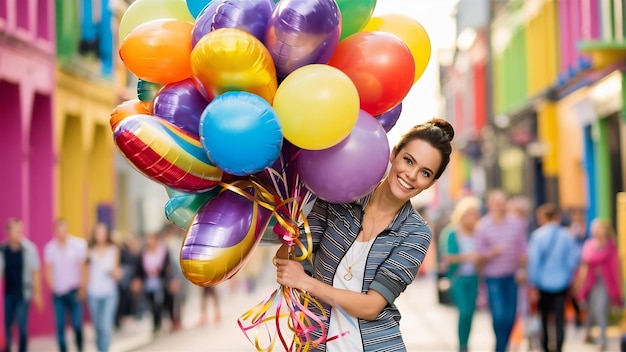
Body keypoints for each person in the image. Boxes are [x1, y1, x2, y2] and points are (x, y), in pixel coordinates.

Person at [274, 118, 454, 351]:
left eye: (425, 173)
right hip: (317, 343)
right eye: (408, 160)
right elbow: (291, 259)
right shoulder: (340, 198)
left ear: (432, 183)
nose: (411, 175)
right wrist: (288, 234)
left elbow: (371, 306)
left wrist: (307, 283)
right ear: (394, 153)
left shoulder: (416, 233)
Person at [474, 189, 528, 352]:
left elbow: (523, 251)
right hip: (493, 278)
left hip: (512, 277)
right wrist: (492, 252)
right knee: (499, 316)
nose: (500, 205)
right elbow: (478, 255)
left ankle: (501, 347)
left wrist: (522, 269)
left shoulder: (517, 223)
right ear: (489, 204)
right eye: (497, 201)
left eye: (503, 201)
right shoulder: (482, 226)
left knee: (511, 317)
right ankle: (501, 347)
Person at [527, 204, 580, 352]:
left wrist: (533, 284)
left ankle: (545, 346)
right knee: (559, 317)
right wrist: (571, 279)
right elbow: (572, 260)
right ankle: (558, 346)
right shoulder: (567, 235)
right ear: (557, 217)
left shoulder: (537, 235)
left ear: (543, 218)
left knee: (544, 317)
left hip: (542, 283)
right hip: (562, 282)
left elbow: (534, 262)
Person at [440, 196, 482, 352]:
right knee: (464, 311)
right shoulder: (452, 233)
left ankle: (466, 343)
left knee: (470, 313)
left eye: (476, 213)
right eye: (471, 213)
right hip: (458, 278)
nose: (474, 217)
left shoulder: (478, 233)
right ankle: (462, 346)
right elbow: (447, 257)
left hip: (474, 277)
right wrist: (468, 256)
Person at [574, 218, 622, 352]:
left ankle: (602, 340)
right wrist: (579, 283)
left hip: (605, 281)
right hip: (590, 281)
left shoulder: (611, 245)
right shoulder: (589, 244)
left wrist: (617, 285)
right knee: (590, 310)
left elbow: (615, 266)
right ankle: (587, 332)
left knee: (601, 309)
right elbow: (584, 265)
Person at [44, 218, 89, 352]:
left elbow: (83, 268)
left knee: (77, 325)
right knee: (60, 325)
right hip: (59, 293)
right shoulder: (50, 248)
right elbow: (48, 269)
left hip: (74, 291)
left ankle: (80, 347)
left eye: (63, 230)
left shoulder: (78, 245)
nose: (61, 233)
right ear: (55, 232)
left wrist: (83, 288)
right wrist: (52, 286)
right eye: (58, 230)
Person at [0, 218, 43, 352]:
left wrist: (37, 294)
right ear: (8, 232)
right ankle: (7, 348)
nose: (20, 233)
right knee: (7, 324)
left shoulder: (29, 249)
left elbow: (35, 272)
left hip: (24, 293)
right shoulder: (3, 250)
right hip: (8, 293)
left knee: (22, 325)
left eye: (21, 230)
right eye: (16, 230)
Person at [86, 223, 121, 352]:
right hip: (93, 293)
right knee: (98, 327)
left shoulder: (113, 249)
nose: (100, 235)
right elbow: (86, 272)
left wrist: (115, 272)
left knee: (106, 326)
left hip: (109, 293)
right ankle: (100, 348)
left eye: (103, 232)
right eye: (98, 232)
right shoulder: (90, 251)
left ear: (107, 235)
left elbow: (117, 271)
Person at [132, 232, 173, 335]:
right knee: (152, 305)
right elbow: (139, 268)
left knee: (159, 303)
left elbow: (167, 267)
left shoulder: (163, 251)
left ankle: (163, 322)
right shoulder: (144, 253)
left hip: (160, 281)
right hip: (149, 283)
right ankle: (156, 325)